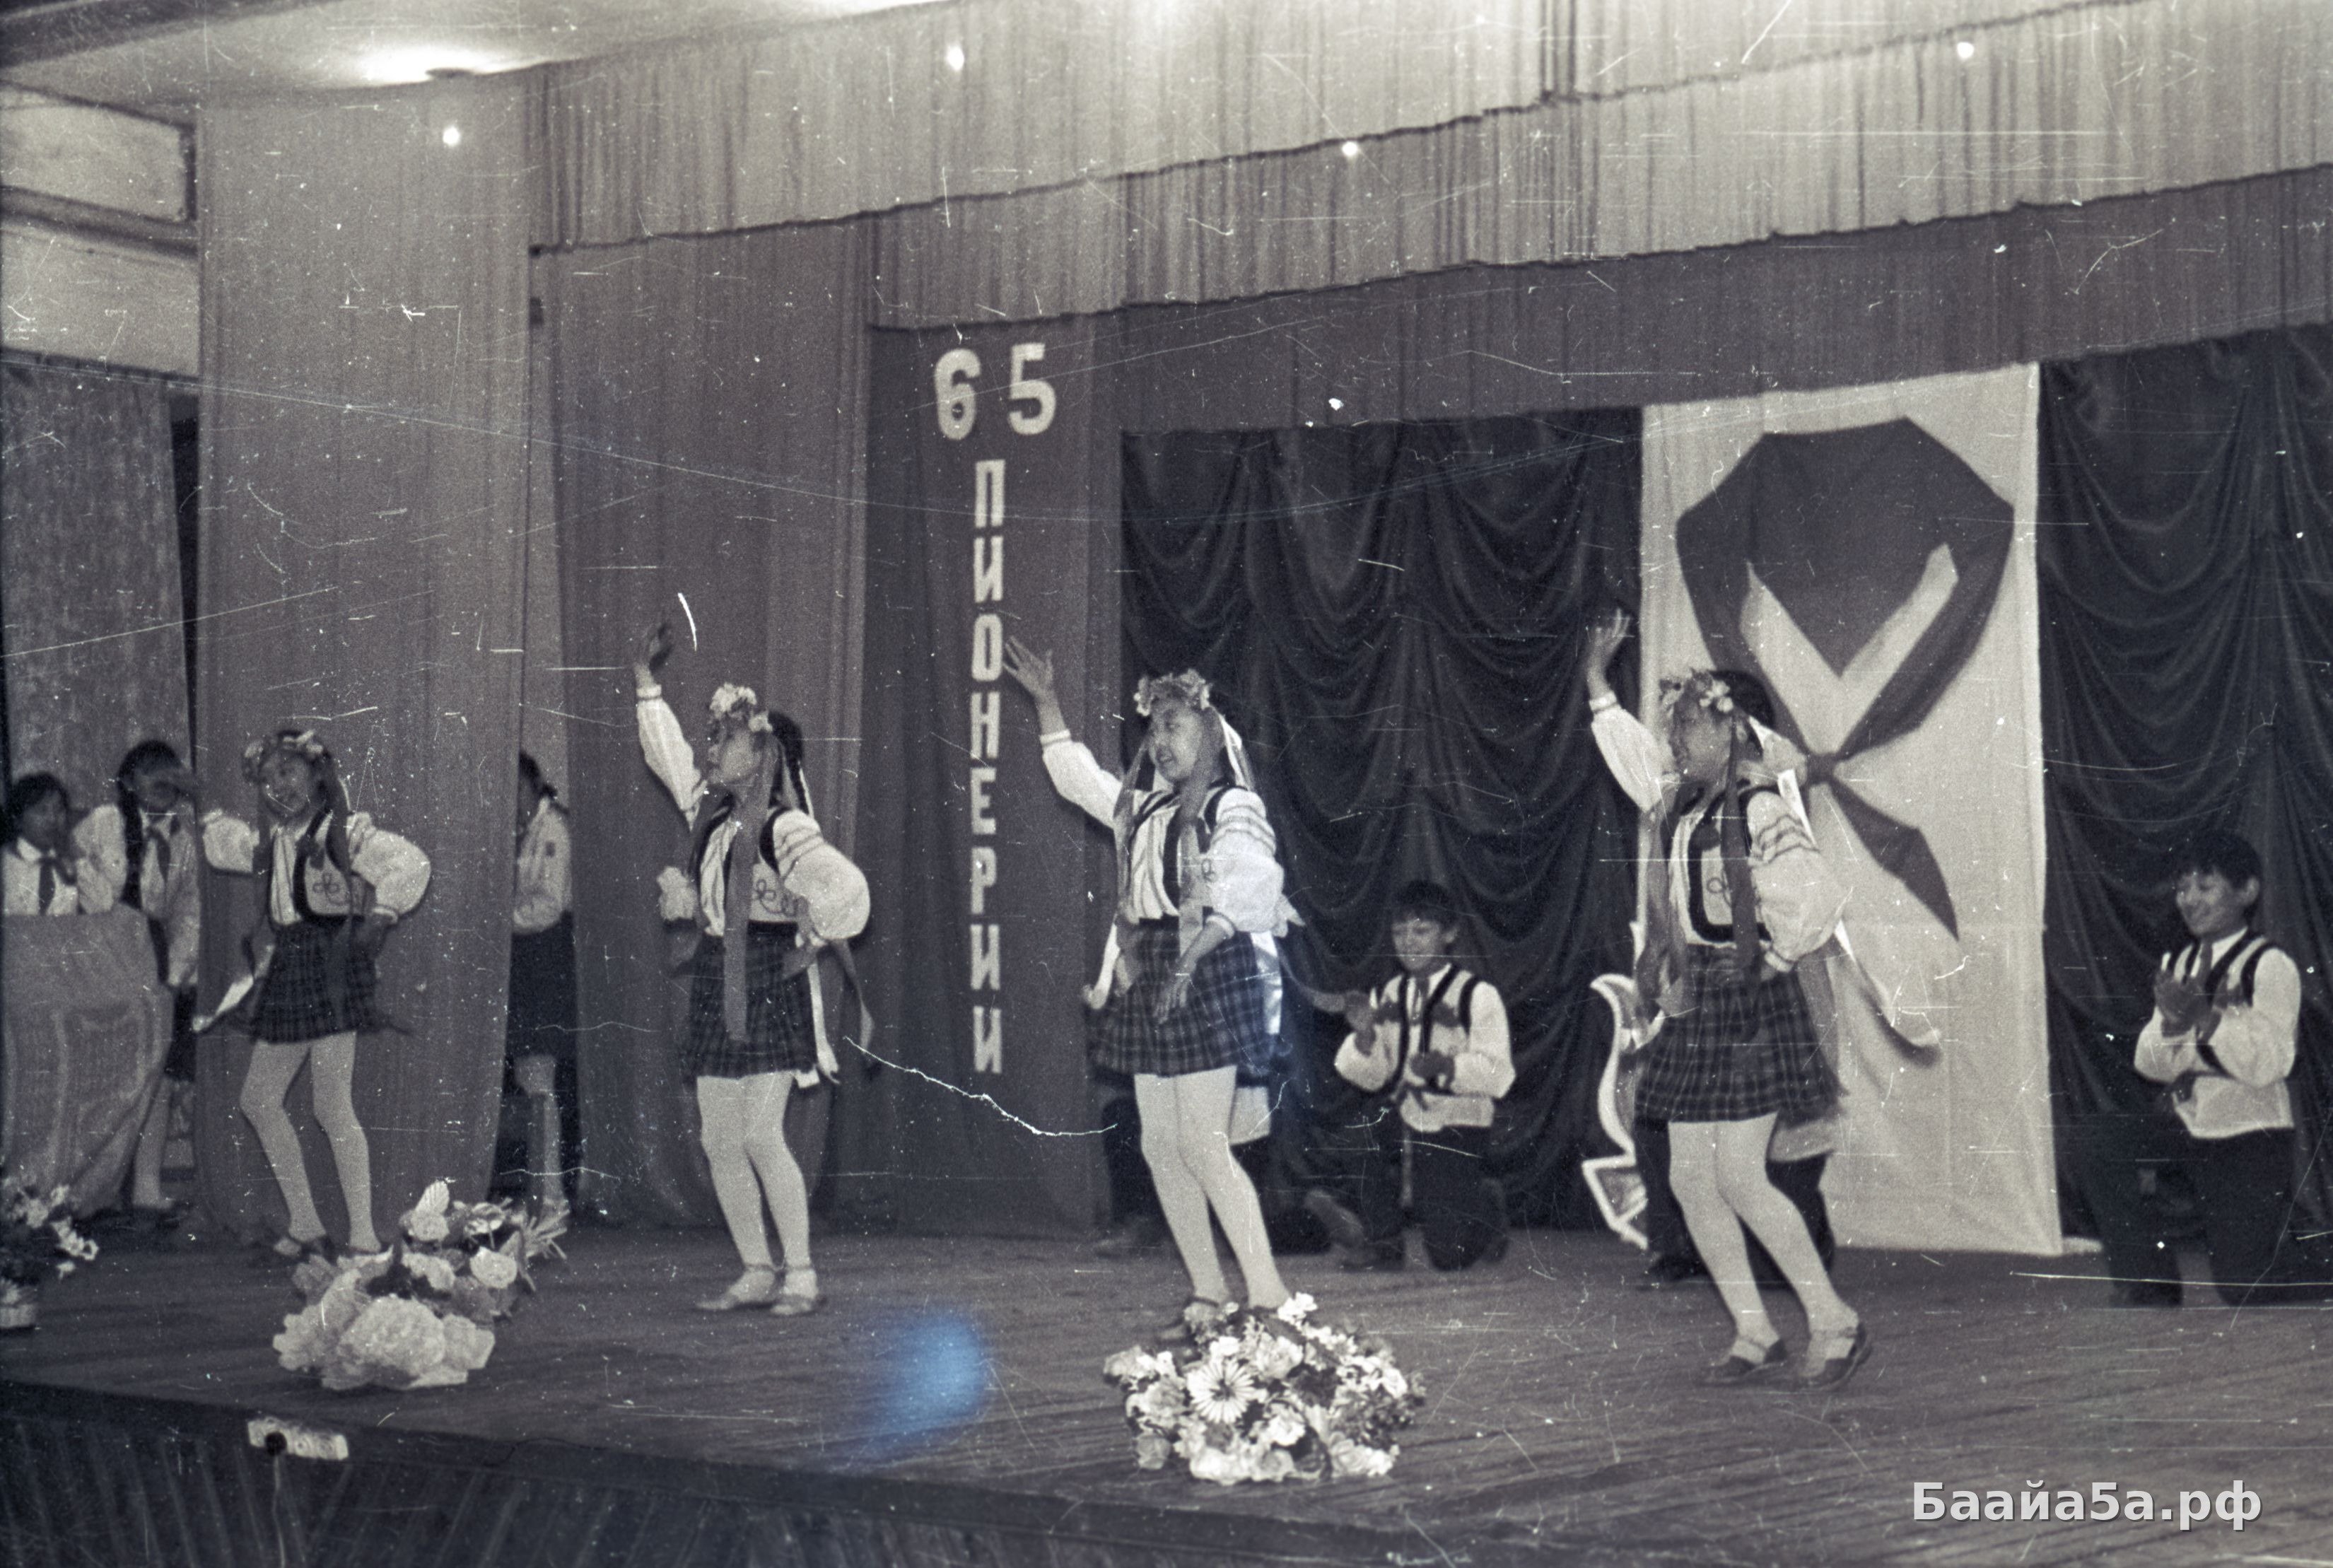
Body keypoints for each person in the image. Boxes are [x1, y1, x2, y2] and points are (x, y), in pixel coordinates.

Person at [1585, 610, 1869, 1388]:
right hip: (1700, 1002)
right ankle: (1754, 1329)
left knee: (1740, 1176)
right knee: (1688, 1178)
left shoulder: (1760, 808)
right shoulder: (1684, 806)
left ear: (1732, 732)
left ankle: (1836, 1321)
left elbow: (1816, 896)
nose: (1674, 742)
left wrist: (1772, 959)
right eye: (1673, 730)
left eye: (1688, 728)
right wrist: (1598, 686)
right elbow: (1636, 760)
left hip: (1745, 1002)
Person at [1004, 640, 1295, 1333]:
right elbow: (1077, 778)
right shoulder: (1138, 808)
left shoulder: (1230, 805)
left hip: (1206, 964)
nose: (1161, 741)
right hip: (1153, 969)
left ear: (1210, 732)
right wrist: (1047, 704)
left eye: (1175, 726)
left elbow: (1253, 886)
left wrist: (1193, 958)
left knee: (1203, 1142)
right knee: (1160, 1144)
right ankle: (1207, 1295)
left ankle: (1270, 1297)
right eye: (1154, 727)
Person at [633, 624, 868, 1316]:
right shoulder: (713, 819)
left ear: (762, 752)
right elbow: (670, 759)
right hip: (718, 977)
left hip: (768, 979)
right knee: (718, 1137)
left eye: (725, 739)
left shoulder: (784, 828)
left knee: (762, 1133)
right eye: (712, 738)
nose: (710, 749)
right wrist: (646, 684)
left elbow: (845, 887)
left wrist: (815, 932)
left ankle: (802, 1273)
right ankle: (756, 1268)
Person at [2072, 829, 2330, 1306]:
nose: (2189, 899)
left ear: (2247, 891)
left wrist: (2203, 1020)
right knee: (2100, 1139)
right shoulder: (2180, 962)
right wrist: (2174, 1026)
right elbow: (2150, 1064)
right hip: (2189, 1123)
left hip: (2248, 1133)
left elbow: (2270, 1063)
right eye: (2183, 888)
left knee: (2244, 1285)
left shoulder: (2270, 965)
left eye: (2205, 886)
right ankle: (2149, 1283)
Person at [201, 728, 431, 1258]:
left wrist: (383, 914)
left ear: (317, 773)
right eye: (266, 780)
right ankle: (308, 1224)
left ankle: (362, 1235)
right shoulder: (275, 840)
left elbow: (411, 862)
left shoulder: (341, 831)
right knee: (263, 1100)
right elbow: (226, 847)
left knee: (329, 1104)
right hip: (292, 967)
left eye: (287, 772)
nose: (277, 787)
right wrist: (204, 807)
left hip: (329, 967)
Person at [1306, 879, 1514, 1272]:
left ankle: (1486, 1207)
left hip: (1456, 1120)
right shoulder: (1390, 992)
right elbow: (1373, 1077)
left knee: (1448, 1257)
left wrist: (1448, 1067)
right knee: (1362, 1132)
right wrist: (1365, 1036)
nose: (1408, 942)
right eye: (1400, 932)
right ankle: (1383, 1242)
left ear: (1449, 934)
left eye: (1421, 931)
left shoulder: (1477, 995)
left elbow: (1499, 1074)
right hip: (1404, 1112)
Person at [74, 741, 204, 1229]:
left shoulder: (184, 839)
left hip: (154, 955)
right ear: (129, 783)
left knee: (158, 1073)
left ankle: (147, 1188)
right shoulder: (104, 822)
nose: (163, 781)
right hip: (100, 947)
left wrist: (177, 975)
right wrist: (108, 915)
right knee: (105, 1074)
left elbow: (187, 912)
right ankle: (91, 1189)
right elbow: (70, 867)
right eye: (151, 772)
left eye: (170, 772)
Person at [505, 752, 580, 1210]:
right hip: (523, 957)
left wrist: (499, 922)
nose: (511, 797)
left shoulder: (553, 829)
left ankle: (551, 1197)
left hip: (545, 957)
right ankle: (542, 1191)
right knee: (528, 1075)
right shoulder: (515, 831)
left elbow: (548, 906)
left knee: (540, 1076)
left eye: (517, 787)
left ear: (535, 785)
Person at [3, 773, 81, 916]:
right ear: (18, 820)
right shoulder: (5, 865)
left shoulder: (72, 862)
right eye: (41, 810)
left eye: (59, 810)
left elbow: (102, 910)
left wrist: (79, 859)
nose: (52, 819)